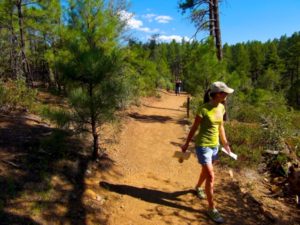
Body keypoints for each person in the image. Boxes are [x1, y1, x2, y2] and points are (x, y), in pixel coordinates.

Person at [181, 81, 234, 223]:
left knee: (206, 172)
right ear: (218, 94)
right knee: (211, 175)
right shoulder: (203, 109)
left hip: (215, 146)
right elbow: (194, 128)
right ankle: (212, 209)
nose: (227, 95)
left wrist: (226, 144)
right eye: (225, 93)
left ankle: (198, 187)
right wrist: (186, 143)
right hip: (203, 146)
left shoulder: (222, 108)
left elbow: (220, 127)